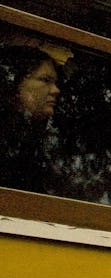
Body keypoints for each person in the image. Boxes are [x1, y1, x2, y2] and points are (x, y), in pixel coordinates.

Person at [0, 45, 61, 192]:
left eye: (54, 82)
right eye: (45, 80)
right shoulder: (7, 139)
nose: (56, 90)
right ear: (15, 84)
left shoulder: (34, 140)